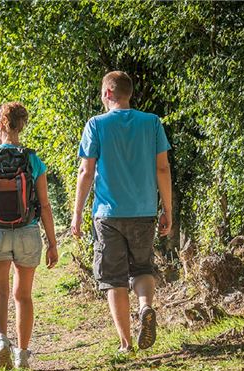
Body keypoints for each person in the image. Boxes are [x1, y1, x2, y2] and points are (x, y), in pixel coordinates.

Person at [71, 71, 172, 353]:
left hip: (108, 215)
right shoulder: (151, 123)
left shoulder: (95, 125)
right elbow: (162, 168)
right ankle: (145, 307)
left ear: (107, 94)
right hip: (143, 211)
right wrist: (168, 209)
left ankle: (126, 344)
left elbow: (86, 171)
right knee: (142, 267)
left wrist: (77, 213)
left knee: (113, 278)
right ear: (129, 94)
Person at [0, 101, 59, 369]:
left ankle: (1, 340)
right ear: (22, 126)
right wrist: (52, 244)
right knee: (23, 295)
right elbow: (44, 206)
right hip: (27, 232)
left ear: (0, 124)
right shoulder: (32, 159)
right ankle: (22, 354)